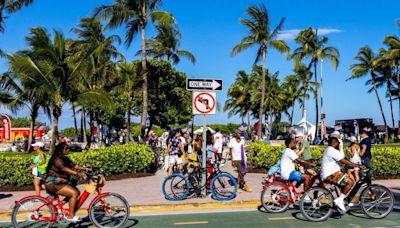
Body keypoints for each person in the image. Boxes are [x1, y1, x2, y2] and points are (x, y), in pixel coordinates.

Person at [45, 143, 90, 222]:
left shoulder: (64, 158)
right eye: (66, 148)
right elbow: (64, 169)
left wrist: (86, 168)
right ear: (61, 150)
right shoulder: (57, 159)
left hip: (59, 182)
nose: (68, 150)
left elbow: (74, 166)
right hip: (53, 183)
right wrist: (78, 173)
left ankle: (59, 207)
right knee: (74, 193)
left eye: (68, 148)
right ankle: (71, 215)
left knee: (77, 192)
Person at [320, 137, 365, 212]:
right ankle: (339, 200)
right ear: (334, 143)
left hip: (330, 173)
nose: (339, 144)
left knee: (344, 184)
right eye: (338, 143)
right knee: (350, 182)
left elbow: (342, 161)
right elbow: (345, 161)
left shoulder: (328, 150)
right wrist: (358, 166)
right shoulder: (332, 151)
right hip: (331, 174)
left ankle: (342, 200)